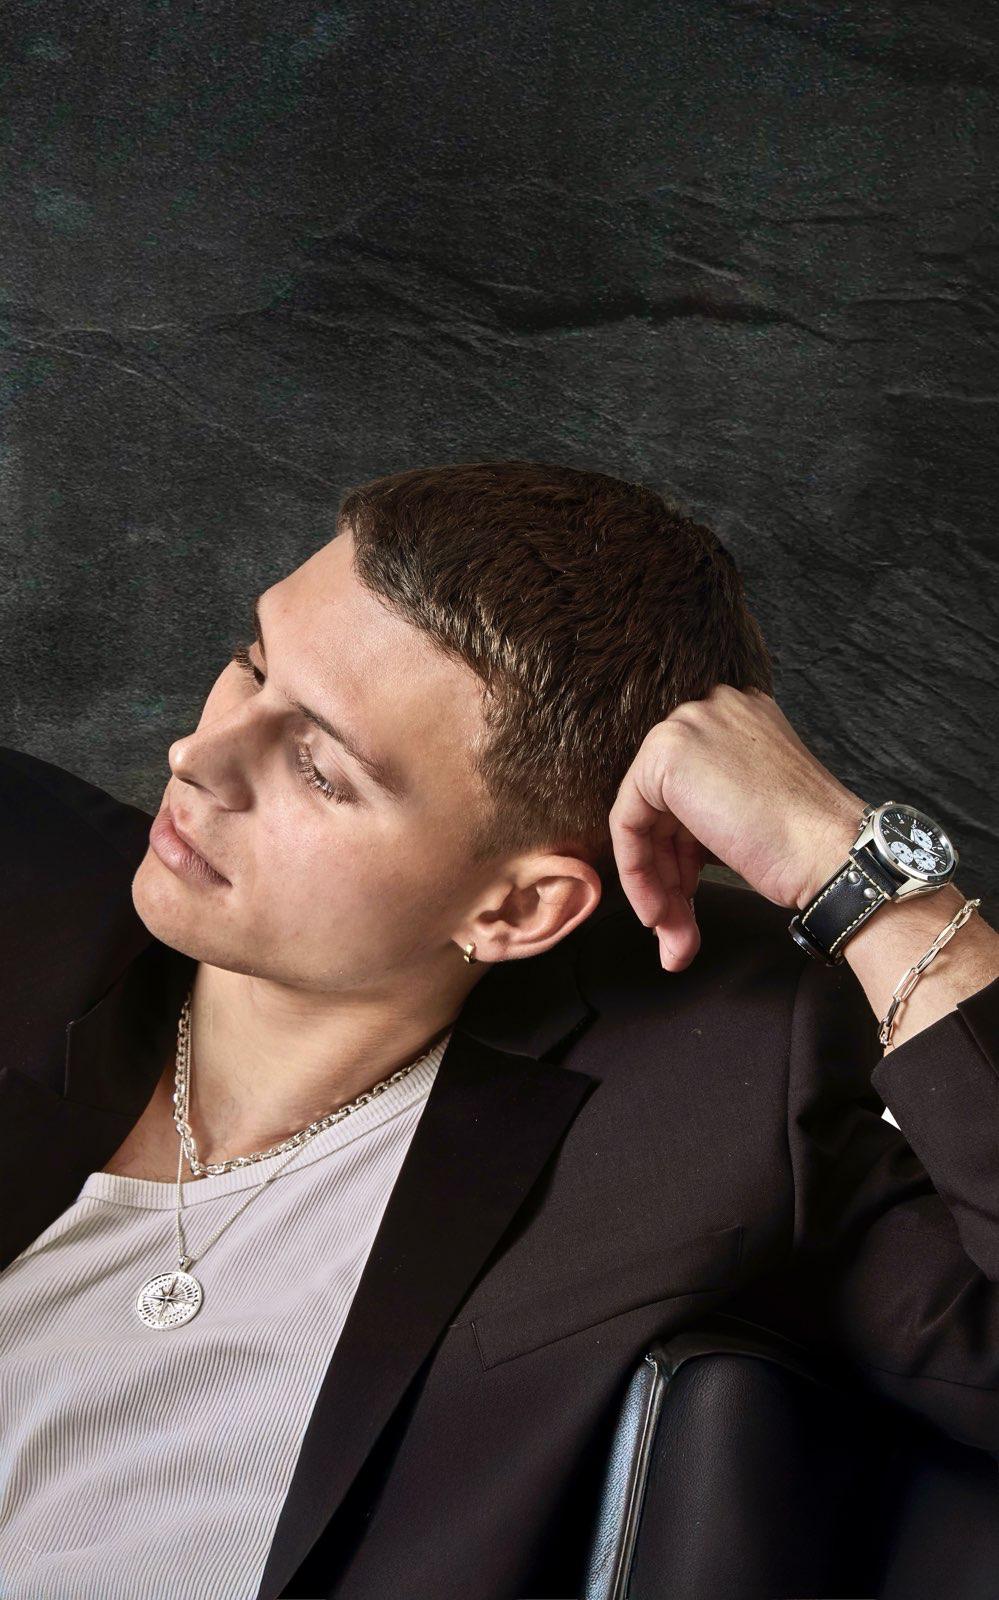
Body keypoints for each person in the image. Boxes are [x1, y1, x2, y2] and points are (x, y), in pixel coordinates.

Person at [0, 459, 996, 1600]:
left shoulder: (702, 1111)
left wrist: (851, 864)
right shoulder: (18, 881)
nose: (200, 757)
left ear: (518, 909)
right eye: (251, 663)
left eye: (322, 769)